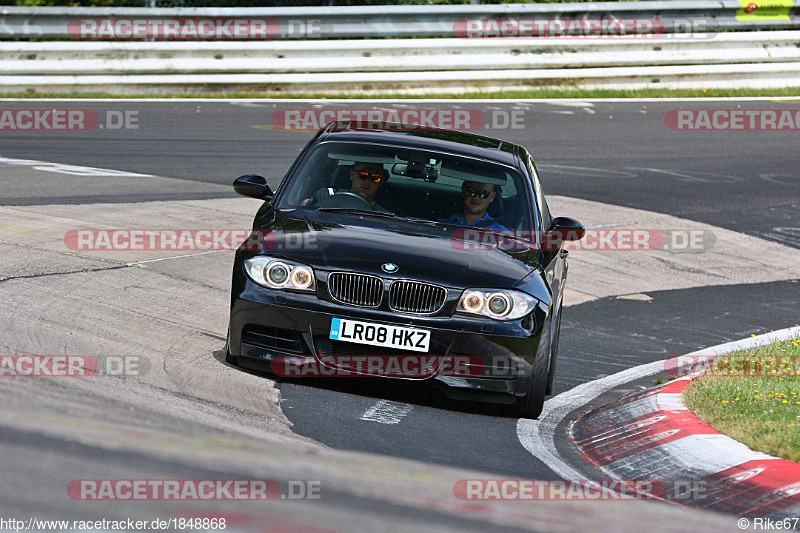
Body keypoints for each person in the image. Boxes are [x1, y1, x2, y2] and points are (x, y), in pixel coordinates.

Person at [304, 161, 390, 212]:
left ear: (381, 182)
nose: (367, 181)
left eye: (375, 177)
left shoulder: (384, 215)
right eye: (362, 175)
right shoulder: (327, 196)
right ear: (352, 175)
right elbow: (302, 207)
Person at [439, 180, 509, 233]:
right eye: (471, 192)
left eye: (483, 194)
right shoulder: (439, 226)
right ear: (463, 191)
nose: (476, 198)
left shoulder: (501, 234)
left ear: (492, 197)